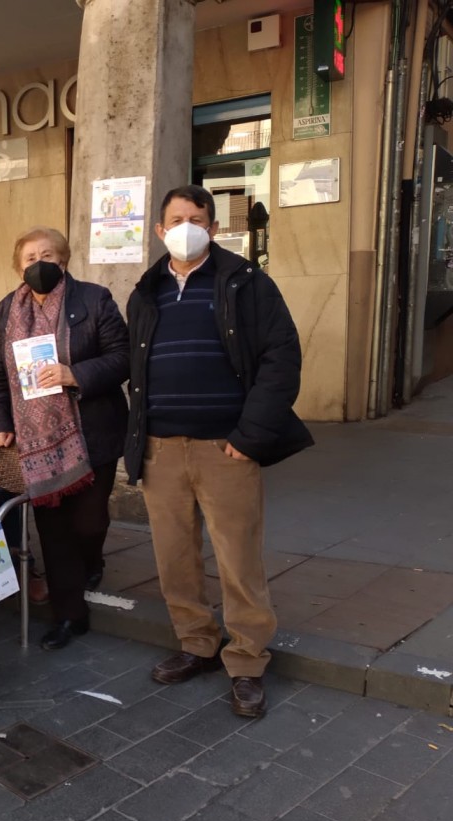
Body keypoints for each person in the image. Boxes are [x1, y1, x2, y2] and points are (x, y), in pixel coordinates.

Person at [125, 185, 313, 718]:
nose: (187, 226)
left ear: (212, 226)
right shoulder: (146, 291)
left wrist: (248, 436)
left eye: (197, 218)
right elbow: (133, 366)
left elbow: (282, 358)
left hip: (225, 449)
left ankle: (248, 659)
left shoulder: (246, 283)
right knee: (174, 559)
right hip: (161, 449)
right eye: (177, 219)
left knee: (238, 559)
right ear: (160, 230)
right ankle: (196, 643)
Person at [0, 226, 129, 651]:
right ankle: (69, 615)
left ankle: (93, 559)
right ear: (19, 266)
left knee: (89, 522)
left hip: (91, 432)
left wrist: (76, 374)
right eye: (30, 257)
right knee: (54, 530)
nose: (39, 263)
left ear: (63, 259)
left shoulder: (93, 299)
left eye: (47, 255)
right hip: (35, 442)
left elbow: (123, 357)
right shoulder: (8, 308)